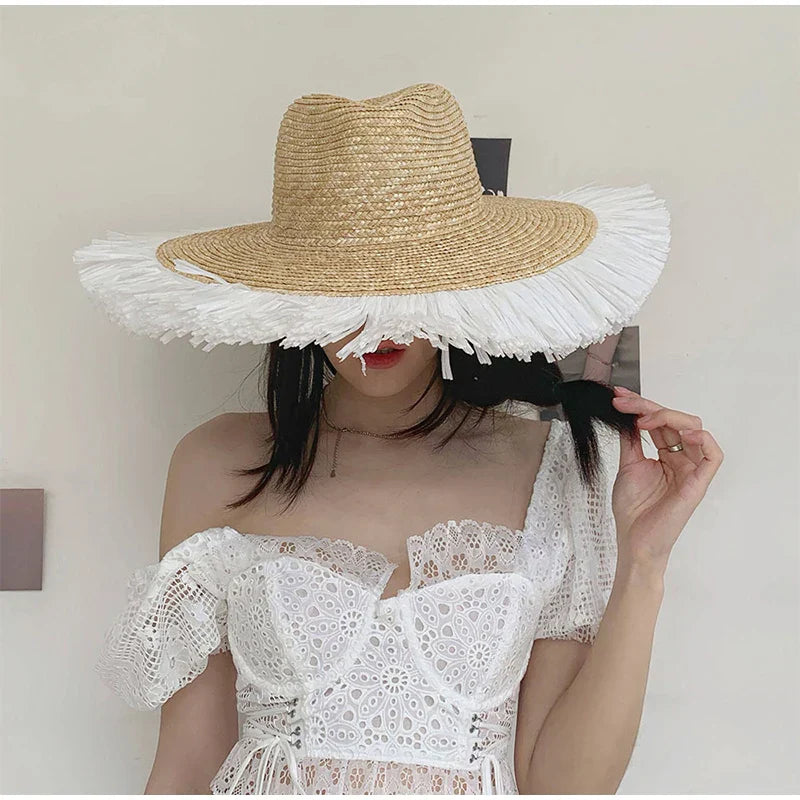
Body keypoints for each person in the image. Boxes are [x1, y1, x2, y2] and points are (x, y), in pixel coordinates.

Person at [76, 83, 723, 794]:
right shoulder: (215, 462)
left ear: (455, 286)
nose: (374, 322)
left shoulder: (553, 467)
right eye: (344, 286)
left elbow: (565, 788)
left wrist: (645, 564)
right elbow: (185, 764)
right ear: (295, 293)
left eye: (403, 285)